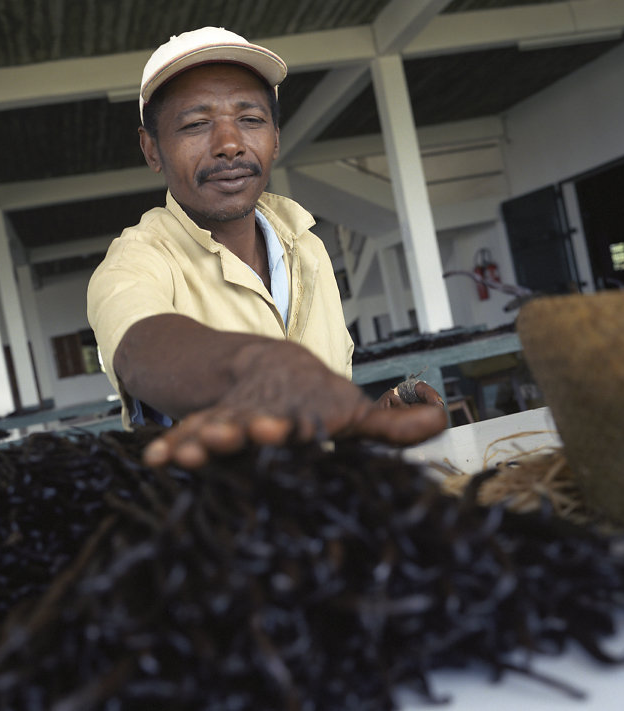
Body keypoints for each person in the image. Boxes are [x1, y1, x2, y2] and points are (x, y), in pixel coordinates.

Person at [87, 27, 446, 468]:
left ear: (275, 137)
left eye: (250, 120)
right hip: (217, 529)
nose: (229, 145)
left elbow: (310, 430)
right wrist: (251, 366)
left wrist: (367, 422)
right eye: (196, 124)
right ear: (152, 149)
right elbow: (140, 349)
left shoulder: (307, 249)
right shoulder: (135, 261)